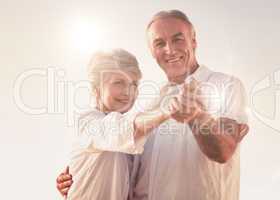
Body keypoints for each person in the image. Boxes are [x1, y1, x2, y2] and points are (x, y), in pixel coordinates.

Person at [57, 10, 249, 200]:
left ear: (194, 41)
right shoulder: (149, 105)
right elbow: (123, 157)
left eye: (178, 39)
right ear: (152, 52)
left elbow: (224, 151)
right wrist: (78, 178)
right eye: (159, 43)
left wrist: (197, 116)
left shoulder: (226, 85)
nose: (170, 49)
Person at [62, 48, 180, 200]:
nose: (128, 92)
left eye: (134, 84)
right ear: (96, 89)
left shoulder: (137, 136)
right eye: (119, 82)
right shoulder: (87, 122)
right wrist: (166, 110)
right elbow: (117, 130)